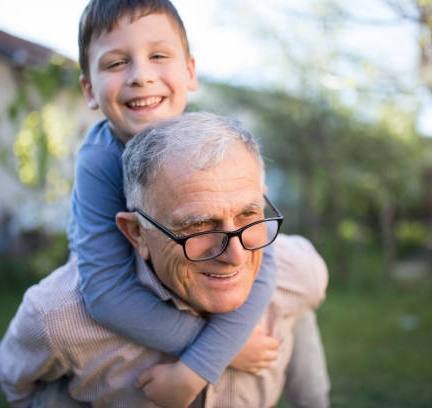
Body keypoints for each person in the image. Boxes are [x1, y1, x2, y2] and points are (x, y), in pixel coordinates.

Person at [0, 112, 330, 407]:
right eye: (198, 225)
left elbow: (304, 322)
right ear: (137, 233)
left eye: (248, 214)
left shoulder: (298, 271)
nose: (235, 256)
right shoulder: (58, 317)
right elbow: (19, 385)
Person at [69, 0, 279, 404]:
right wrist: (215, 354)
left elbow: (264, 261)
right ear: (89, 90)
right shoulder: (98, 161)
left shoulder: (217, 145)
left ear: (190, 72)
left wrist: (199, 364)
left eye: (159, 56)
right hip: (141, 293)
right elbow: (107, 293)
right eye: (115, 64)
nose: (141, 76)